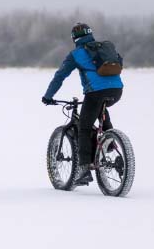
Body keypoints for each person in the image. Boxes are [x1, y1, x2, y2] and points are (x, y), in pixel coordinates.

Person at [42, 23, 123, 185]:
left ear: (74, 38)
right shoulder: (104, 48)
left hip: (94, 93)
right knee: (101, 110)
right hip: (117, 90)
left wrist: (48, 96)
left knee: (84, 127)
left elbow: (60, 76)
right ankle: (110, 143)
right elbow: (118, 62)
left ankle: (84, 169)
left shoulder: (76, 54)